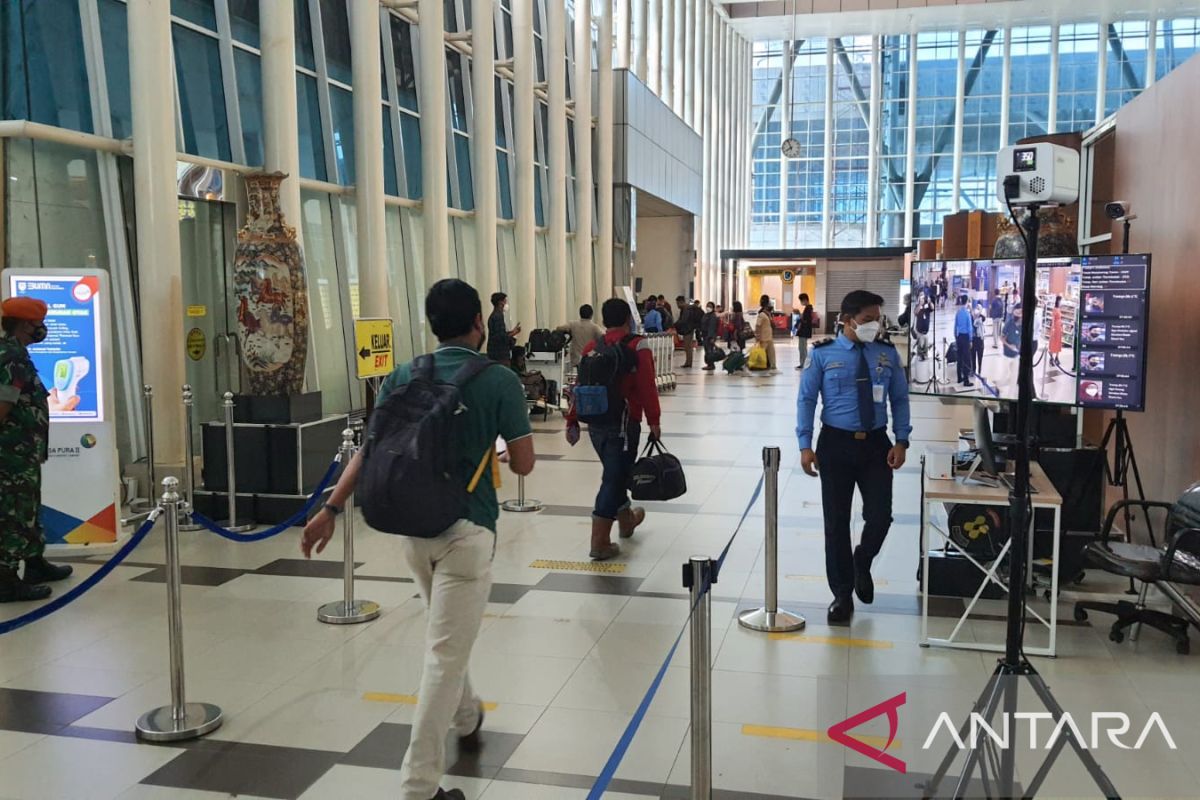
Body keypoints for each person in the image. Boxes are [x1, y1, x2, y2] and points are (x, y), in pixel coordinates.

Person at [301, 279, 535, 800]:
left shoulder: (404, 374)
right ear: (479, 322)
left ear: (431, 325)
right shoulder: (498, 379)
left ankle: (468, 714)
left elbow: (368, 449)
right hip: (466, 532)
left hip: (410, 529)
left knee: (445, 639)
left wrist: (331, 508)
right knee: (442, 657)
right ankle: (418, 787)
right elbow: (523, 463)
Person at [796, 290, 911, 623]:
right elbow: (806, 400)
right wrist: (805, 444)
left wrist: (901, 440)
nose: (874, 325)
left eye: (878, 318)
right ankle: (842, 594)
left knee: (880, 516)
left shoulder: (886, 354)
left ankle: (863, 560)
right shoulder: (822, 355)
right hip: (835, 444)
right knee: (836, 523)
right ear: (846, 320)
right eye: (867, 320)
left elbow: (900, 400)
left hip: (876, 444)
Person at [565, 299, 661, 561]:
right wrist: (654, 420)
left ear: (604, 320)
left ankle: (627, 519)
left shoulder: (592, 347)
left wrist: (572, 418)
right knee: (613, 478)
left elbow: (580, 386)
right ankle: (600, 541)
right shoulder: (636, 345)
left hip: (595, 424)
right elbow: (646, 385)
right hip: (623, 423)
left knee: (614, 473)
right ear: (629, 318)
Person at [0, 297, 74, 603]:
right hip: (10, 455)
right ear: (26, 324)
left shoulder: (17, 354)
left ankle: (34, 564)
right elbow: (3, 406)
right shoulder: (10, 357)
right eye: (38, 323)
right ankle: (5, 579)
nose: (41, 329)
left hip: (24, 453)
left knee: (28, 508)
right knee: (13, 513)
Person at [555, 304, 605, 369]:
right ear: (591, 315)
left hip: (576, 359)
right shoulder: (594, 327)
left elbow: (559, 328)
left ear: (580, 313)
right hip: (589, 359)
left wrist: (569, 332)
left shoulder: (573, 324)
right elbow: (604, 338)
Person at [486, 292, 521, 366]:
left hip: (494, 352)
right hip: (500, 354)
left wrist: (512, 331)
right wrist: (513, 333)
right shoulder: (498, 317)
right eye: (505, 301)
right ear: (500, 302)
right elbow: (500, 336)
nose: (506, 303)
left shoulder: (494, 316)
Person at [674, 295, 704, 369]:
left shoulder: (686, 309)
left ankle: (688, 363)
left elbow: (684, 320)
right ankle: (688, 362)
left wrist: (675, 324)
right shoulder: (687, 308)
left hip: (688, 329)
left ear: (681, 302)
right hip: (689, 329)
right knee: (687, 346)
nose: (677, 305)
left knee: (687, 347)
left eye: (677, 303)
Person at [1000, 303, 1023, 392]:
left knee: (1014, 376)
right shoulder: (1009, 323)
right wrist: (1010, 346)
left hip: (1016, 355)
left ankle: (1012, 395)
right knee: (1004, 374)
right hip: (1007, 354)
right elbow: (1002, 338)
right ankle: (999, 387)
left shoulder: (1022, 326)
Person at [954, 294, 975, 387]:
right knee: (966, 358)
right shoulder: (967, 313)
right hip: (966, 337)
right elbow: (970, 328)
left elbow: (955, 326)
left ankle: (959, 377)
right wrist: (970, 340)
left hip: (959, 337)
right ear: (967, 302)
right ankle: (966, 380)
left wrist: (956, 336)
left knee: (959, 357)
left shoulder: (958, 312)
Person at [754, 294, 778, 372]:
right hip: (763, 338)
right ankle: (758, 365)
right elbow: (757, 326)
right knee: (761, 353)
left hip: (769, 337)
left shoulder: (768, 314)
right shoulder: (761, 314)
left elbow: (772, 325)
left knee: (772, 353)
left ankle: (773, 366)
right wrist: (757, 337)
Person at [795, 293, 815, 370]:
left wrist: (799, 314)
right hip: (804, 331)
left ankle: (803, 364)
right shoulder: (808, 308)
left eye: (801, 301)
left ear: (805, 300)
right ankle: (803, 363)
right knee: (802, 348)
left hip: (804, 331)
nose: (801, 302)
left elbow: (805, 320)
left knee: (802, 348)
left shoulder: (808, 308)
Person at [700, 302, 720, 371]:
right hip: (705, 335)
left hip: (710, 336)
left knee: (709, 350)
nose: (708, 307)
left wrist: (711, 337)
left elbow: (712, 327)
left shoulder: (713, 316)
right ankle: (709, 364)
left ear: (713, 308)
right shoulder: (706, 315)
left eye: (710, 306)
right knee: (707, 350)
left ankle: (711, 365)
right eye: (707, 306)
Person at [913, 293, 933, 359]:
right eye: (921, 295)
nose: (922, 297)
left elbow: (932, 308)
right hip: (919, 331)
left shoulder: (927, 305)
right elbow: (915, 312)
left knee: (925, 349)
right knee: (920, 349)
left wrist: (930, 302)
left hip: (926, 331)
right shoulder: (917, 305)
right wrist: (920, 304)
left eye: (923, 295)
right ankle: (919, 360)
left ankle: (925, 359)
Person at [1048, 295, 1064, 368]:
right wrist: (1053, 328)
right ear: (1058, 301)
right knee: (1053, 343)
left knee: (1058, 342)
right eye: (1060, 301)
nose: (1061, 302)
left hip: (1059, 328)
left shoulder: (1059, 309)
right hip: (1055, 328)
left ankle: (1057, 358)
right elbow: (1053, 319)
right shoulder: (1055, 309)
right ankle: (1051, 358)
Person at [972, 301, 986, 378]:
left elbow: (983, 318)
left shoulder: (981, 318)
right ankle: (974, 369)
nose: (977, 310)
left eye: (979, 308)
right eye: (976, 308)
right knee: (973, 355)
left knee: (980, 356)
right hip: (974, 339)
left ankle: (980, 369)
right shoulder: (972, 318)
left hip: (980, 339)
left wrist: (980, 313)